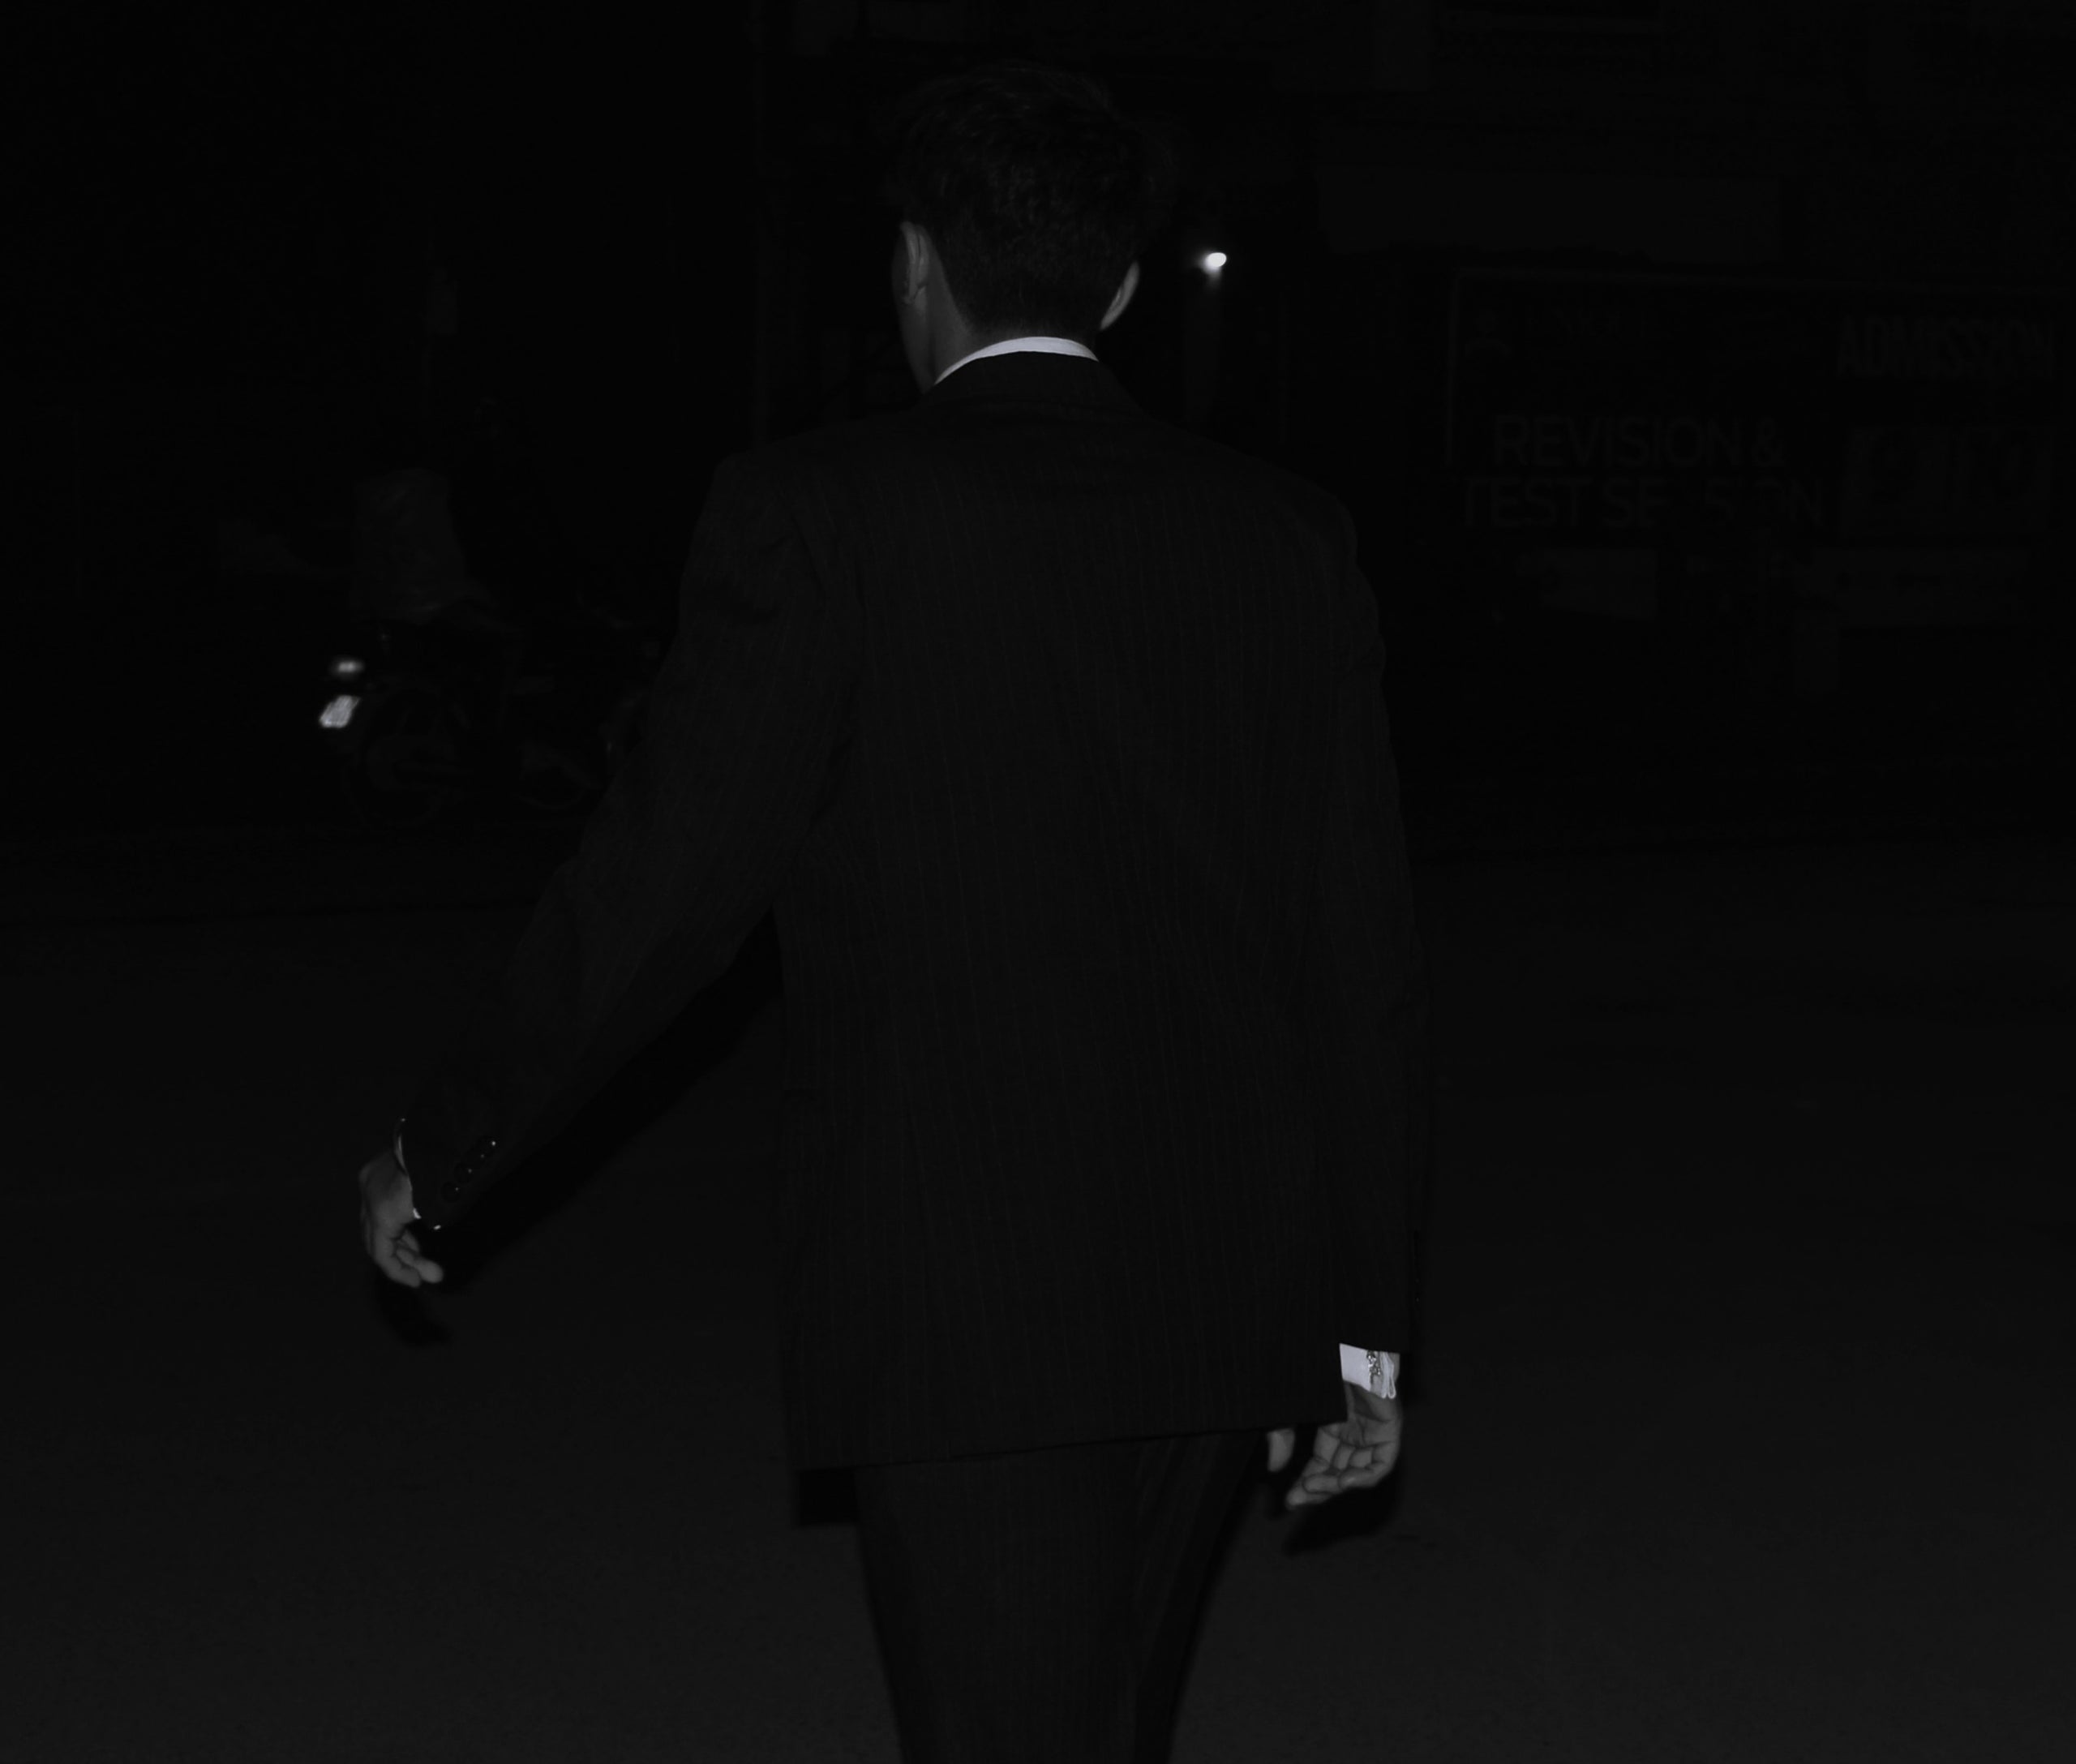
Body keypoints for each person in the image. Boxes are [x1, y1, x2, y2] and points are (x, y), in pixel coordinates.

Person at [358, 58, 1428, 1763]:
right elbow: (1357, 955)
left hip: (969, 1299)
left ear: (918, 264)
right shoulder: (1285, 536)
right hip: (1224, 1292)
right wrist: (1363, 1320)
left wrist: (448, 1141)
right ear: (1122, 289)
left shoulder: (822, 514)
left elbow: (666, 893)